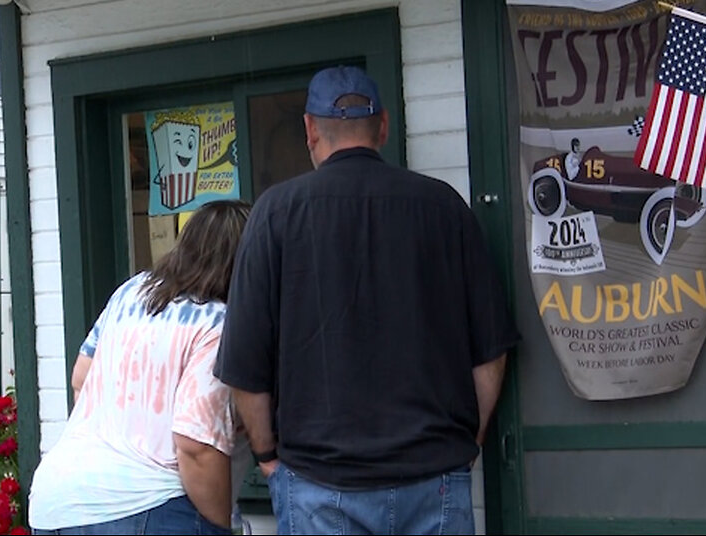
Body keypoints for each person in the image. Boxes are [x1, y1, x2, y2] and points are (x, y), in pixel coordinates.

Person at [215, 65, 519, 535]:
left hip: (318, 483)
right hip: (433, 476)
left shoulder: (276, 213)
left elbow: (245, 365)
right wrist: (468, 442)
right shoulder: (444, 208)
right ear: (383, 126)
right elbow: (490, 349)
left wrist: (268, 457)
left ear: (310, 130)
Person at [28, 200, 254, 535]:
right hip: (147, 504)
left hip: (56, 500)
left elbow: (81, 379)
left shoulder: (133, 291)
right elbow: (196, 446)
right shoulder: (218, 324)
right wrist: (220, 526)